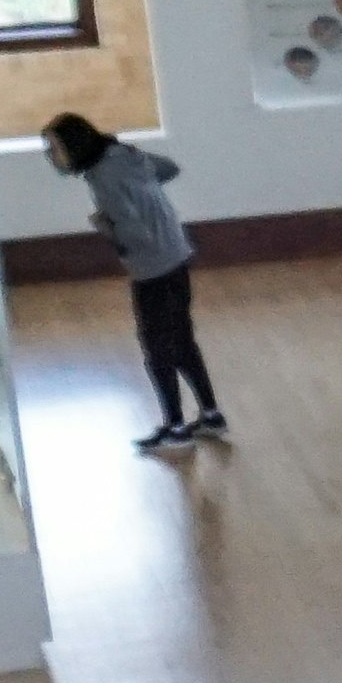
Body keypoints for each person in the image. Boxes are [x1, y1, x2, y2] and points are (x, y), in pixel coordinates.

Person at [44, 115, 224, 453]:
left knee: (157, 350)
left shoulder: (101, 177)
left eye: (53, 147)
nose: (51, 155)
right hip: (176, 252)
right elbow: (168, 168)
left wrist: (105, 226)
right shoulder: (124, 155)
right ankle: (211, 415)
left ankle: (176, 427)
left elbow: (133, 232)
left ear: (74, 145)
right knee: (182, 340)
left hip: (153, 267)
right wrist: (144, 193)